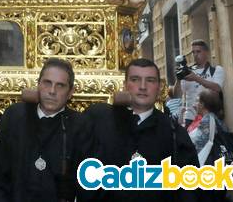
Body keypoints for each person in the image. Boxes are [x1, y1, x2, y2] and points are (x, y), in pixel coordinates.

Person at [84, 58, 199, 201]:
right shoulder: (100, 121)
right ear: (126, 85)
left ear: (159, 87)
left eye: (150, 80)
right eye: (135, 79)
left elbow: (189, 189)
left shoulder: (174, 133)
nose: (142, 86)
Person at [0, 58, 94, 202]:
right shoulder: (15, 116)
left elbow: (87, 183)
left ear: (70, 92)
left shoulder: (80, 125)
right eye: (47, 83)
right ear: (38, 84)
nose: (52, 91)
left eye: (60, 86)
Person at [173, 40, 225, 126]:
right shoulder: (187, 72)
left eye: (198, 51)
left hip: (210, 117)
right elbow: (176, 95)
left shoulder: (216, 70)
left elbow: (217, 88)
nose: (195, 55)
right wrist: (178, 79)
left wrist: (196, 78)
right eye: (193, 52)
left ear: (206, 52)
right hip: (190, 118)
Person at [187, 90, 226, 166]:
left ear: (202, 104)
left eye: (197, 101)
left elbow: (199, 142)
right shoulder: (214, 118)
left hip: (208, 162)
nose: (195, 105)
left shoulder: (207, 120)